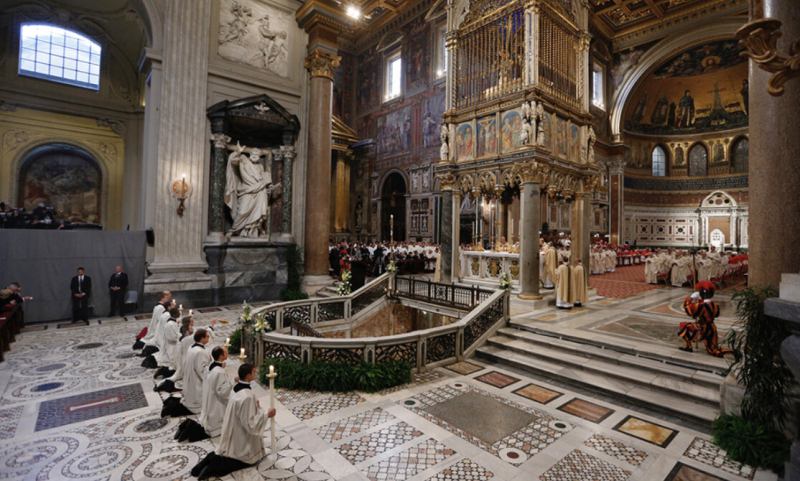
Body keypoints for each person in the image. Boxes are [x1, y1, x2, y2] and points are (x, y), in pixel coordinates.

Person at [190, 363, 276, 480]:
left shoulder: (236, 388)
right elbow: (250, 424)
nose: (256, 373)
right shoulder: (247, 396)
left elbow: (243, 411)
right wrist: (267, 414)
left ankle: (205, 463)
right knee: (243, 460)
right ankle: (211, 469)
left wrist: (256, 407)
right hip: (241, 437)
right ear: (248, 375)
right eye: (254, 372)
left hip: (233, 428)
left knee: (224, 452)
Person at [176, 346, 233, 442]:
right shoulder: (219, 372)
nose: (227, 354)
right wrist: (232, 383)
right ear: (221, 356)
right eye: (226, 352)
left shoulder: (210, 367)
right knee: (218, 421)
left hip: (209, 398)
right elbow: (222, 392)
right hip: (216, 403)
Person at [163, 328, 211, 417]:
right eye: (207, 336)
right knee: (202, 404)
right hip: (196, 382)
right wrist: (213, 369)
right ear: (202, 338)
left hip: (190, 378)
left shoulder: (192, 347)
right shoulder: (200, 352)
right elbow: (202, 371)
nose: (209, 338)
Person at [679, 281, 731, 357]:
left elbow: (688, 310)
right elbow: (716, 314)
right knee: (713, 349)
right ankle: (731, 352)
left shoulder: (700, 306)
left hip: (702, 328)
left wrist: (690, 298)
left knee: (683, 326)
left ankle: (689, 346)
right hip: (712, 328)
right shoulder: (715, 305)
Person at [153, 305, 182, 379]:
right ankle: (162, 371)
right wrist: (180, 337)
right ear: (175, 314)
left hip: (172, 345)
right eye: (179, 312)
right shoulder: (170, 324)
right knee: (172, 362)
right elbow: (172, 337)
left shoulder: (173, 323)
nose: (180, 313)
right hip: (171, 346)